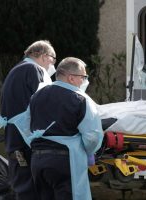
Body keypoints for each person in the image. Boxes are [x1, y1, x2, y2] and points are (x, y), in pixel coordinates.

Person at [17, 57, 102, 200]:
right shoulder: (81, 99)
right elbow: (93, 136)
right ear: (71, 78)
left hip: (38, 160)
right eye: (83, 77)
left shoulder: (37, 96)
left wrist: (37, 144)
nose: (84, 81)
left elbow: (24, 125)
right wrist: (89, 152)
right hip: (66, 161)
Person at [0, 40, 56, 200]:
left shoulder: (16, 70)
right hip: (27, 137)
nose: (53, 64)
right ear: (44, 56)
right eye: (53, 59)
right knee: (32, 188)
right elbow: (46, 103)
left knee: (21, 184)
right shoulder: (34, 69)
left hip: (15, 136)